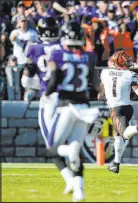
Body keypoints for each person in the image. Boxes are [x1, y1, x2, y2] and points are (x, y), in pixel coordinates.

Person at [45, 20, 100, 202]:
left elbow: (53, 81)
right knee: (77, 149)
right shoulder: (89, 56)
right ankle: (79, 191)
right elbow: (97, 84)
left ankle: (69, 152)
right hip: (84, 108)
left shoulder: (57, 53)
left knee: (53, 148)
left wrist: (46, 94)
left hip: (66, 107)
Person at [22, 17, 74, 193]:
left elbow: (26, 81)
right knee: (61, 140)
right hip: (69, 97)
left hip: (49, 98)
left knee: (52, 144)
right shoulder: (63, 47)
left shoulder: (34, 48)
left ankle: (70, 153)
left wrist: (37, 86)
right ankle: (70, 180)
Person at [98, 51, 138, 174]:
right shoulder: (130, 75)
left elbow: (100, 95)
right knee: (118, 136)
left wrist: (106, 95)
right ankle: (116, 164)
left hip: (116, 108)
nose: (129, 64)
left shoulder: (105, 73)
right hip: (128, 107)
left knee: (124, 134)